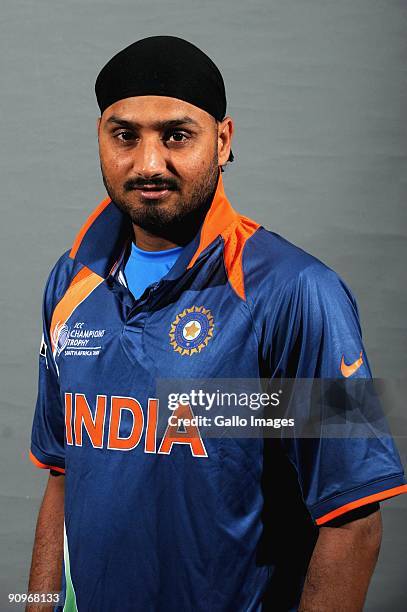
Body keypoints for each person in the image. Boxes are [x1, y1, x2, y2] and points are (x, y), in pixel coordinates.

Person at [27, 36, 407, 612]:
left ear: (223, 141)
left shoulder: (299, 292)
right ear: (101, 140)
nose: (149, 163)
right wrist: (35, 604)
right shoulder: (68, 283)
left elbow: (354, 522)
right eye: (124, 135)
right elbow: (62, 474)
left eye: (176, 135)